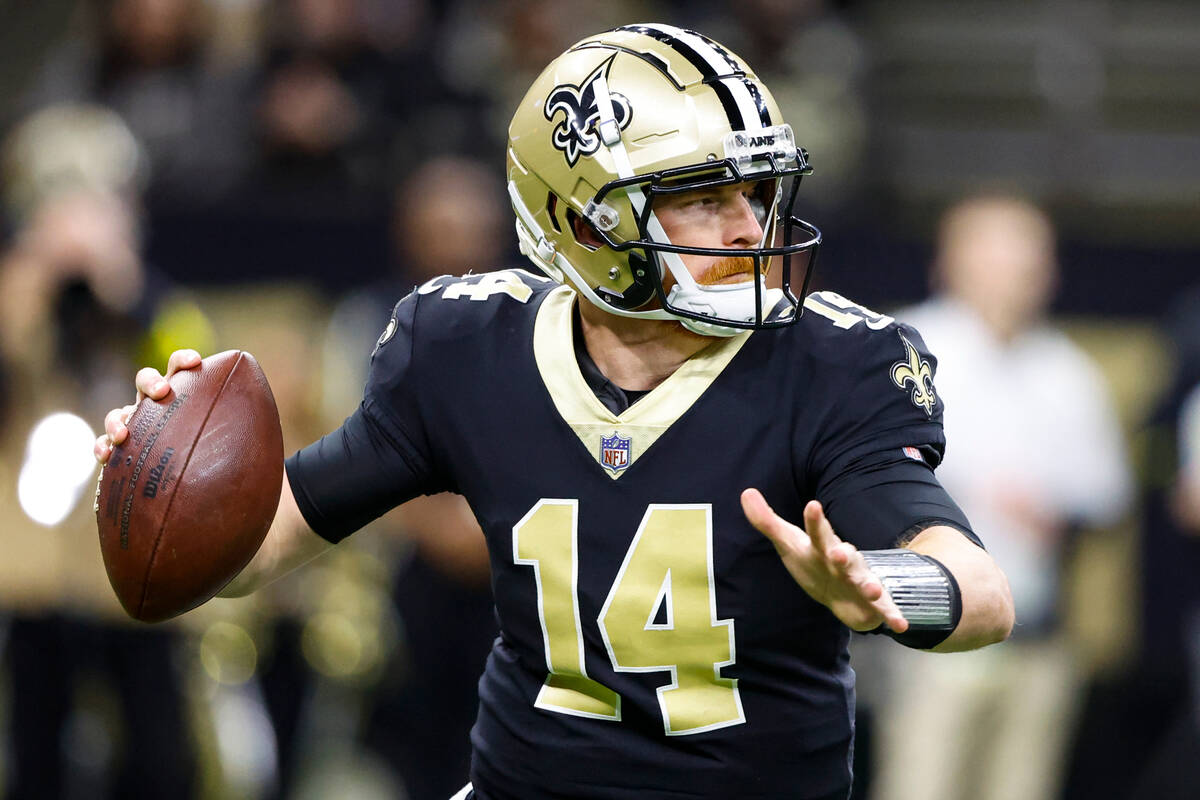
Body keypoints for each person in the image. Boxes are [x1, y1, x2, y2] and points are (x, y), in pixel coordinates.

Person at [96, 24, 1013, 800]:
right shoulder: (463, 348)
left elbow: (981, 592)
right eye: (703, 199)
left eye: (756, 191)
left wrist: (887, 586)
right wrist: (155, 485)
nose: (748, 228)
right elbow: (257, 552)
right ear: (585, 224)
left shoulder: (830, 362)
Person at [873, 195, 1131, 800]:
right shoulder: (900, 349)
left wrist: (1053, 507)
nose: (1018, 267)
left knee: (1023, 786)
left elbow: (1109, 494)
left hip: (1038, 631)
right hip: (928, 631)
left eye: (1031, 253)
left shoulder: (1068, 371)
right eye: (998, 250)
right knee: (921, 783)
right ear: (952, 260)